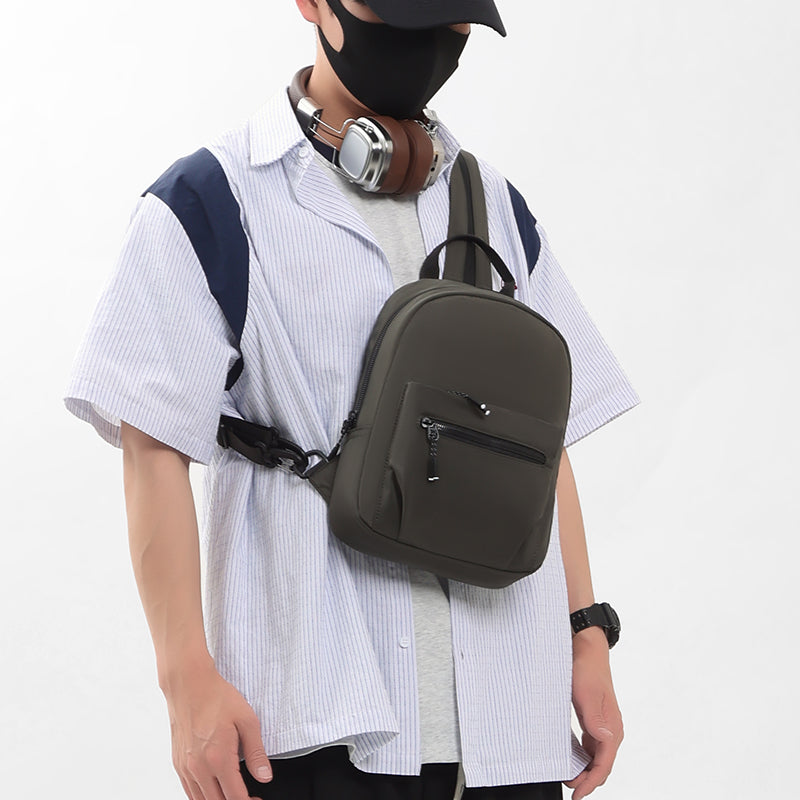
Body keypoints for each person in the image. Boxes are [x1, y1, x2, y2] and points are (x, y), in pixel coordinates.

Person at [62, 2, 641, 799]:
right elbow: (153, 447)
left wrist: (584, 636)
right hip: (318, 718)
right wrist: (185, 679)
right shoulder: (213, 201)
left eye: (450, 17)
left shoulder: (495, 204)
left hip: (511, 722)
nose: (424, 38)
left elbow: (543, 444)